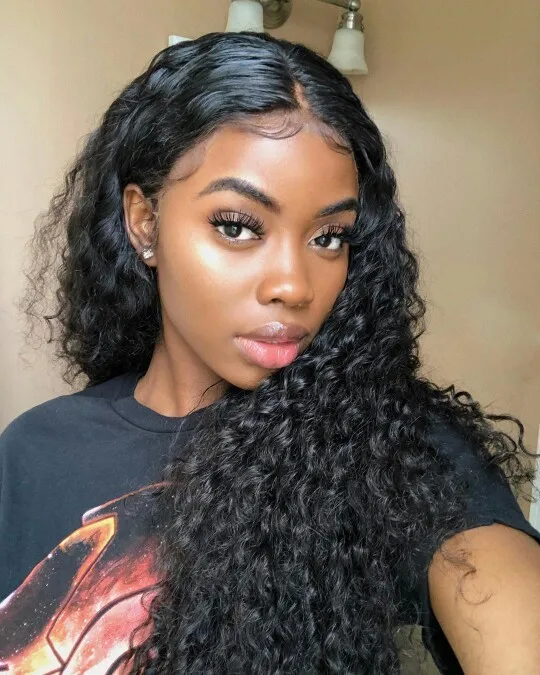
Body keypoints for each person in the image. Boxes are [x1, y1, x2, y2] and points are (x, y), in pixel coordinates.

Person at [0, 31, 539, 675]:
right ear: (144, 223)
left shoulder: (391, 447)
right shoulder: (33, 450)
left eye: (329, 237)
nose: (294, 285)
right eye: (238, 226)